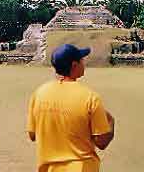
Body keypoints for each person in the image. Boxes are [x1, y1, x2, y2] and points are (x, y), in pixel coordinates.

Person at [26, 44, 115, 172]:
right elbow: (102, 142)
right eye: (82, 60)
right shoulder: (90, 98)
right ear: (74, 65)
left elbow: (32, 135)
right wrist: (112, 123)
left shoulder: (39, 94)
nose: (84, 63)